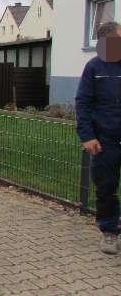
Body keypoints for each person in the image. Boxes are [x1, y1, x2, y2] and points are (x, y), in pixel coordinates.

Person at [76, 21, 121, 254]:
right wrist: (87, 135)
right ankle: (109, 232)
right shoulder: (94, 68)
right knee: (106, 187)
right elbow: (83, 103)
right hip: (105, 141)